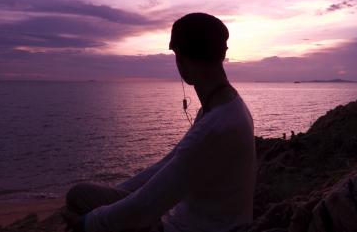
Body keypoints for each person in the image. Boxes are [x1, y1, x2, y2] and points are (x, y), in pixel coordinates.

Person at [62, 12, 256, 232]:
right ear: (221, 56)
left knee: (80, 202)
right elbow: (167, 165)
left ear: (181, 60)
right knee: (81, 195)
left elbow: (145, 207)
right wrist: (117, 195)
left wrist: (87, 224)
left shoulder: (217, 126)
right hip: (192, 221)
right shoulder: (222, 107)